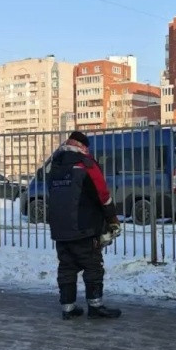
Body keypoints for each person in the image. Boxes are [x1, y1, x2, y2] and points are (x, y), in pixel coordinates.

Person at [46, 131, 123, 320]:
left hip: (60, 227)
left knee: (66, 267)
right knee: (93, 266)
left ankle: (68, 308)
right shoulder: (85, 163)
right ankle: (95, 307)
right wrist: (112, 218)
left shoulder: (53, 164)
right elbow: (102, 194)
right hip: (84, 227)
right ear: (83, 145)